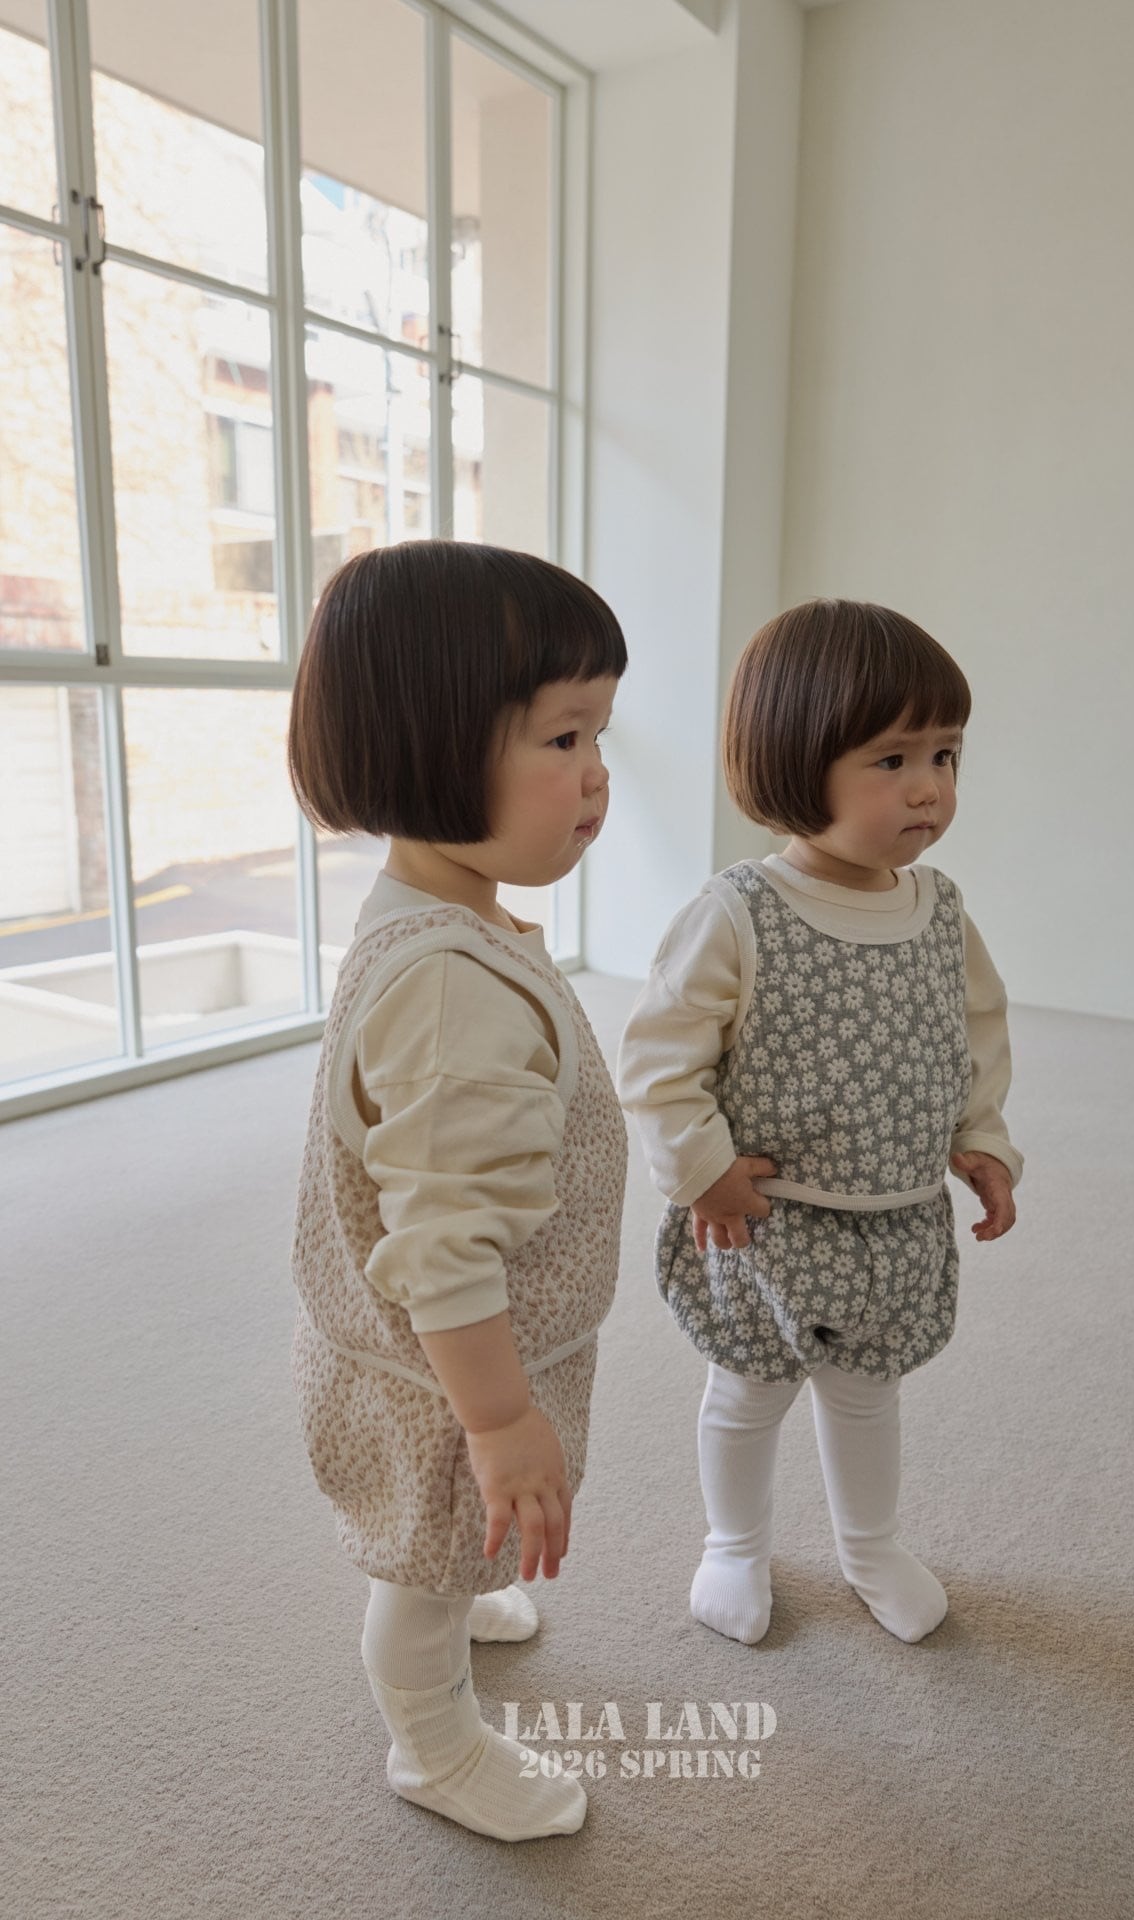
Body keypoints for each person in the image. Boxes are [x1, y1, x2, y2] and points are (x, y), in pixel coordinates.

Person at [287, 539, 627, 1840]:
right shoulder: (450, 991)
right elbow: (442, 1245)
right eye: (562, 737)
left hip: (436, 1349)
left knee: (456, 1547)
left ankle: (464, 1577)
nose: (596, 775)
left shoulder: (430, 907)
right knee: (424, 1575)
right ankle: (432, 1747)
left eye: (599, 734)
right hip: (450, 1373)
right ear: (432, 746)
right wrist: (498, 1421)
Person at [617, 600, 1021, 1649]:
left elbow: (972, 1033)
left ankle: (869, 1545)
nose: (929, 787)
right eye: (892, 760)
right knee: (747, 1393)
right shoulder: (737, 911)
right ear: (795, 761)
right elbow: (659, 1060)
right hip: (767, 1220)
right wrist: (700, 1168)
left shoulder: (939, 910)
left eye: (944, 754)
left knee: (866, 1394)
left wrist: (982, 1137)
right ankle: (733, 1545)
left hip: (895, 1218)